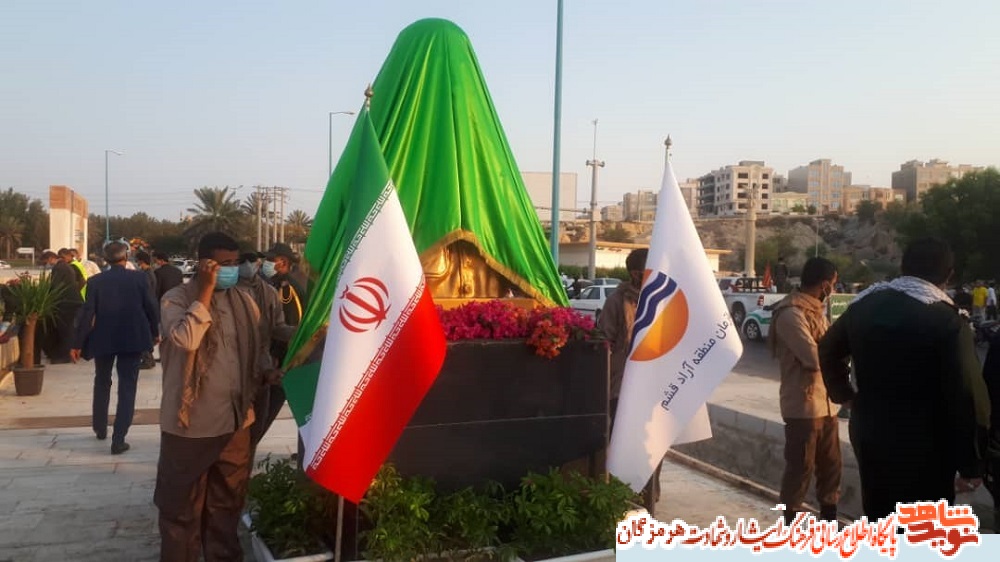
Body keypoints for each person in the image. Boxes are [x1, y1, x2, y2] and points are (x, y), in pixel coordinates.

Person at [819, 237, 991, 519]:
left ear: (903, 266)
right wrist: (972, 464)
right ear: (948, 275)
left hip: (870, 433)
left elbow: (827, 349)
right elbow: (968, 395)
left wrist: (845, 396)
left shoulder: (864, 306)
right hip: (925, 447)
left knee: (880, 515)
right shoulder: (947, 320)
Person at [155, 232, 281, 561]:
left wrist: (267, 371)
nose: (232, 270)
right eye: (224, 264)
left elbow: (257, 348)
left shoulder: (245, 301)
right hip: (191, 424)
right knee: (181, 508)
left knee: (227, 504)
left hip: (236, 421)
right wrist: (206, 291)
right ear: (204, 264)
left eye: (235, 263)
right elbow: (187, 339)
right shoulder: (176, 299)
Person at [769, 257, 841, 524]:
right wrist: (837, 354)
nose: (833, 289)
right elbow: (814, 358)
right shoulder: (790, 314)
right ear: (825, 284)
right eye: (833, 284)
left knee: (831, 469)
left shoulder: (816, 311)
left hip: (827, 403)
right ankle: (789, 526)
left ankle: (829, 525)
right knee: (800, 470)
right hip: (803, 404)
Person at [70, 242, 159, 454]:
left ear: (105, 259)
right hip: (132, 338)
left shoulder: (95, 282)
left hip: (103, 338)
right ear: (126, 256)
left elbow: (87, 313)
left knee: (102, 381)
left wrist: (77, 343)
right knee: (127, 386)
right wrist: (155, 332)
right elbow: (151, 307)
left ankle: (100, 427)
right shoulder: (140, 278)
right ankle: (119, 439)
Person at [597, 248, 661, 516]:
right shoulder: (616, 302)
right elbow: (604, 343)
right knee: (622, 444)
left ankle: (648, 497)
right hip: (622, 387)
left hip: (654, 388)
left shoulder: (661, 299)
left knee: (653, 445)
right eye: (647, 270)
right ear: (635, 273)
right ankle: (619, 496)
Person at [237, 251, 295, 449]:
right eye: (241, 261)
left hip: (263, 367)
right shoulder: (228, 292)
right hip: (234, 370)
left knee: (256, 428)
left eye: (252, 261)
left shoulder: (268, 291)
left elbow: (278, 327)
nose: (247, 265)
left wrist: (301, 333)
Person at [41, 250, 84, 364]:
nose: (47, 265)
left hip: (66, 302)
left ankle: (65, 356)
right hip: (71, 301)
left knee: (65, 330)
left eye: (46, 262)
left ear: (51, 258)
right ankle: (63, 354)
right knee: (67, 329)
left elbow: (55, 286)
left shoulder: (59, 268)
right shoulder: (65, 266)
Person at [135, 251, 159, 369]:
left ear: (141, 261)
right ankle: (148, 358)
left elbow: (146, 292)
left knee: (144, 334)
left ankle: (147, 359)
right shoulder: (148, 273)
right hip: (148, 306)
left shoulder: (146, 274)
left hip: (146, 307)